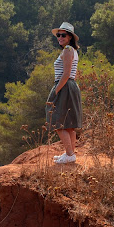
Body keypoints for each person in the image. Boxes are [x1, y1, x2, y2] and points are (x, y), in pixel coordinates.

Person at [46, 22, 82, 164]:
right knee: (69, 124)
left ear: (70, 37)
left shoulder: (67, 50)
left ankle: (69, 154)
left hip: (65, 86)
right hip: (70, 86)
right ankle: (70, 154)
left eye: (63, 35)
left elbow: (66, 73)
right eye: (58, 35)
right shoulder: (72, 50)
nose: (60, 37)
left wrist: (56, 90)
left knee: (57, 121)